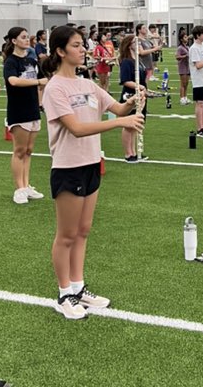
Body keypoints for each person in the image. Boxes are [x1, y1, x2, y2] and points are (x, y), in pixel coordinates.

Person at [42, 25, 145, 320]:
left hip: (91, 164)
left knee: (84, 230)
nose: (83, 49)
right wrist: (118, 123)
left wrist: (133, 100)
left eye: (82, 44)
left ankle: (78, 286)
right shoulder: (55, 88)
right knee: (67, 234)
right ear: (61, 51)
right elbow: (76, 129)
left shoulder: (88, 84)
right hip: (68, 167)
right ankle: (64, 294)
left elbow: (117, 108)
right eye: (76, 45)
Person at [3, 26, 46, 204]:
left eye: (28, 37)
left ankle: (27, 185)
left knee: (29, 150)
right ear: (14, 41)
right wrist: (37, 81)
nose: (27, 40)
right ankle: (19, 188)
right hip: (18, 109)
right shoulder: (11, 62)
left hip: (33, 109)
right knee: (19, 150)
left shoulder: (31, 60)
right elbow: (13, 81)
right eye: (23, 37)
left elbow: (43, 80)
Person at [118, 34, 150, 163]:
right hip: (130, 96)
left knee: (135, 125)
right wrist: (140, 86)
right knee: (128, 126)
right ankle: (128, 153)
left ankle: (135, 152)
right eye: (135, 43)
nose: (138, 45)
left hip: (140, 95)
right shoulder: (126, 61)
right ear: (129, 45)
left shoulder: (137, 59)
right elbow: (125, 81)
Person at [189, 25, 203, 138]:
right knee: (200, 103)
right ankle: (200, 128)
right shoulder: (194, 48)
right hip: (198, 80)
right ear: (198, 35)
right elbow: (198, 65)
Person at [176, 30, 190, 105]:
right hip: (183, 67)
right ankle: (181, 98)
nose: (187, 38)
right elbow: (177, 57)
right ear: (181, 39)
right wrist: (185, 56)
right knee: (183, 84)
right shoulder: (180, 48)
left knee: (186, 84)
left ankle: (185, 97)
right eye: (185, 37)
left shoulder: (187, 47)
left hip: (188, 67)